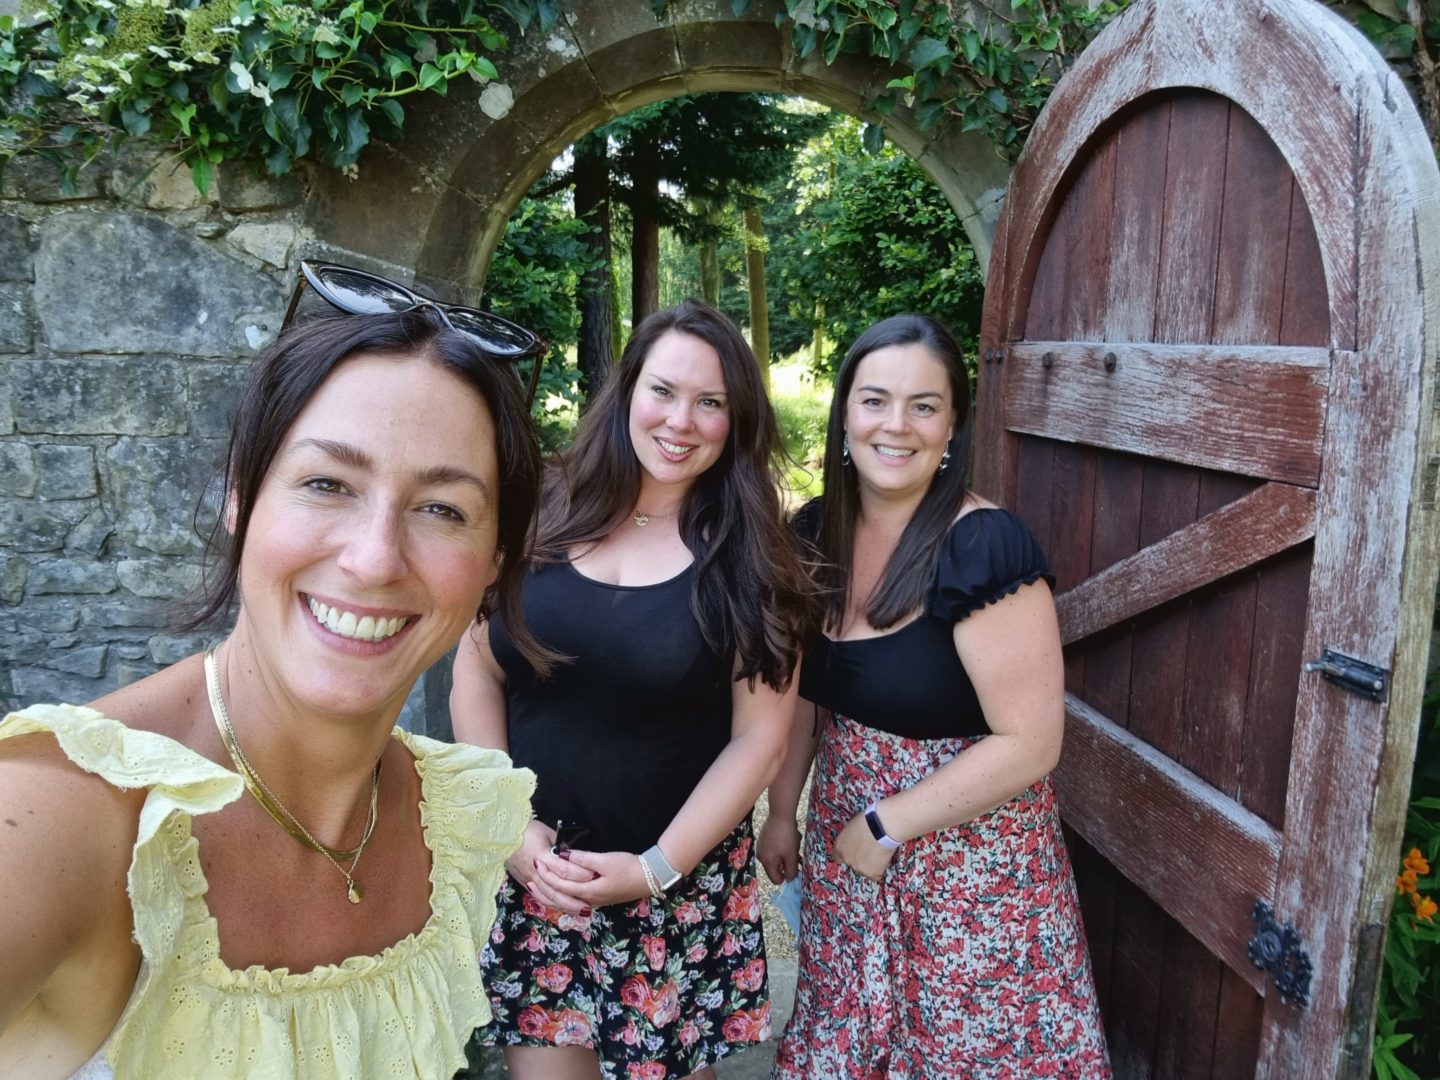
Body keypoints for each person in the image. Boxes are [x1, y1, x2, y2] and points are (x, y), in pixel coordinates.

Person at [0, 262, 553, 1080]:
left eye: (442, 508)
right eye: (327, 483)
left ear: (494, 563)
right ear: (241, 498)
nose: (374, 559)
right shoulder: (57, 815)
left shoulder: (450, 826)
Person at [450, 300, 815, 1080]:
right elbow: (477, 666)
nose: (681, 421)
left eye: (710, 402)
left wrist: (653, 869)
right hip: (539, 880)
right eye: (664, 390)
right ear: (627, 391)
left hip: (672, 892)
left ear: (737, 421)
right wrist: (507, 826)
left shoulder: (751, 559)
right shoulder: (540, 507)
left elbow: (760, 739)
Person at [758, 314, 1111, 1078]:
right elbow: (809, 698)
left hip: (970, 872)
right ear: (845, 415)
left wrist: (886, 825)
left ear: (952, 425)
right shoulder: (816, 534)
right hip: (848, 855)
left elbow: (1032, 741)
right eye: (875, 400)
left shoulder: (982, 546)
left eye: (924, 406)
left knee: (959, 1054)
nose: (897, 425)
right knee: (850, 1036)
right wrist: (784, 810)